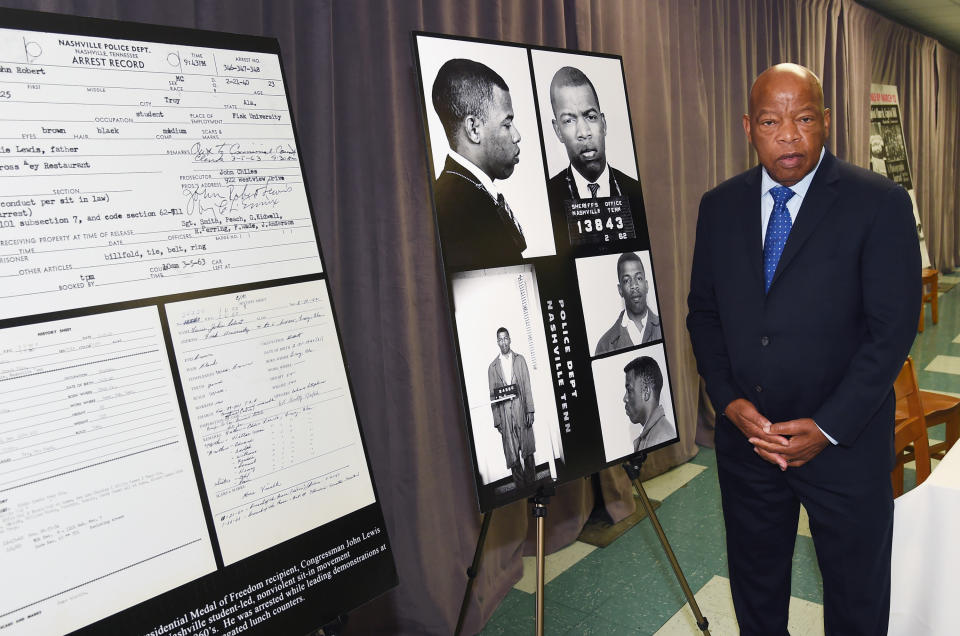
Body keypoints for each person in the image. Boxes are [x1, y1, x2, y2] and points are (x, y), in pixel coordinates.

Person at [686, 63, 919, 635]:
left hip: (844, 443)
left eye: (804, 118)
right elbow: (705, 314)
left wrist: (827, 426)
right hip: (750, 445)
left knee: (856, 600)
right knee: (757, 595)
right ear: (748, 126)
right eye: (771, 120)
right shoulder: (718, 207)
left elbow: (891, 331)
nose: (788, 134)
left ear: (827, 122)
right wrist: (726, 399)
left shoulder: (879, 202)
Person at [431, 58, 526, 269]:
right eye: (507, 124)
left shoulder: (462, 195)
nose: (517, 135)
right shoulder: (458, 212)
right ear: (474, 129)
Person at [545, 66, 646, 236]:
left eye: (591, 117)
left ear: (603, 124)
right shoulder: (548, 198)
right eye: (569, 120)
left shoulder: (634, 192)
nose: (584, 132)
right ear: (558, 131)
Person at [487, 327, 536, 485]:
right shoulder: (492, 368)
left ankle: (533, 484)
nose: (503, 342)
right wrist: (498, 421)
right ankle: (521, 490)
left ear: (510, 339)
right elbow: (493, 396)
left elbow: (527, 386)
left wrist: (530, 410)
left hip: (520, 408)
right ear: (497, 342)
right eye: (500, 339)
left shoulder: (520, 360)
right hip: (505, 414)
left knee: (527, 450)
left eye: (506, 338)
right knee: (512, 453)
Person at [595, 252, 661, 355]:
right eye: (626, 280)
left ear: (647, 285)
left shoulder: (665, 327)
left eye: (639, 278)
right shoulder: (605, 345)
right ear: (620, 290)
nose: (634, 285)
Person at [622, 356, 675, 452]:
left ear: (646, 392)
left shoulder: (662, 439)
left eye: (629, 390)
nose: (624, 398)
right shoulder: (652, 436)